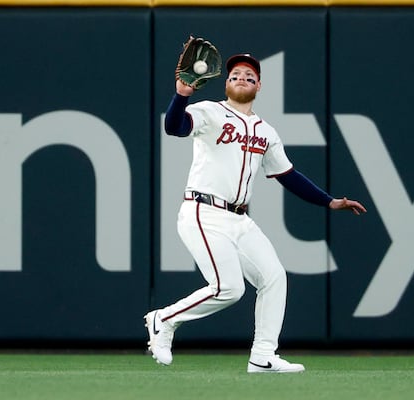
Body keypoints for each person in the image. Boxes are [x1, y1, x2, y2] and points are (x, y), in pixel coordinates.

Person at [145, 53, 366, 373]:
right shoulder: (210, 111)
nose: (242, 78)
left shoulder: (266, 131)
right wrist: (182, 95)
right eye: (235, 74)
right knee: (228, 288)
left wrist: (328, 201)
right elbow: (174, 127)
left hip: (239, 219)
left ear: (259, 86)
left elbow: (287, 175)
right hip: (203, 211)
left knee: (274, 276)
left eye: (250, 76)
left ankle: (263, 356)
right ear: (226, 83)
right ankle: (163, 319)